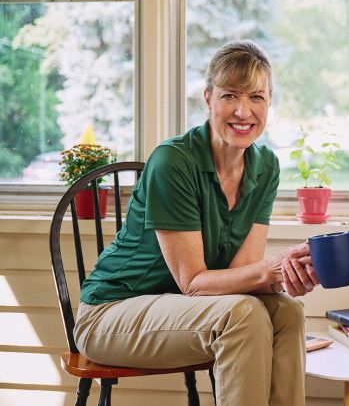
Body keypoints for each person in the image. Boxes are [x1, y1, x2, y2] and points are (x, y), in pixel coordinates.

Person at [75, 40, 320, 405]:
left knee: (287, 312)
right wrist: (269, 272)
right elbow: (192, 282)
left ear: (269, 103)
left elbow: (241, 275)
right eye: (229, 96)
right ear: (208, 99)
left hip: (185, 310)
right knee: (242, 316)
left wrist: (286, 271)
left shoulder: (265, 165)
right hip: (111, 313)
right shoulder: (173, 161)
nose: (243, 111)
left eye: (256, 97)